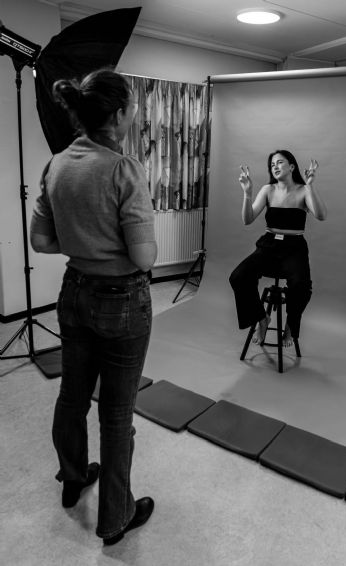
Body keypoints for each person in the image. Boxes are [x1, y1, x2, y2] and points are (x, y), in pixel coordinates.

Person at [30, 69, 157, 546]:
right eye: (132, 106)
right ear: (120, 113)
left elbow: (42, 242)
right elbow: (144, 258)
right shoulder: (124, 169)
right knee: (117, 413)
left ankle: (74, 476)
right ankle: (115, 519)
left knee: (73, 395)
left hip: (74, 293)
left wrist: (85, 242)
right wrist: (114, 246)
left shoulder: (56, 165)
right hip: (121, 300)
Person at [229, 149, 327, 347]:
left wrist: (310, 186)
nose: (275, 166)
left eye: (280, 162)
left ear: (291, 167)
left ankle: (291, 325)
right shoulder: (268, 190)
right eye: (272, 164)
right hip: (269, 245)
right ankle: (262, 319)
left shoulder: (303, 190)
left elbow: (321, 215)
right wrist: (247, 193)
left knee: (301, 286)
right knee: (238, 276)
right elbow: (247, 219)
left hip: (294, 247)